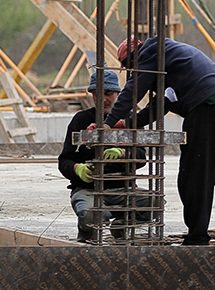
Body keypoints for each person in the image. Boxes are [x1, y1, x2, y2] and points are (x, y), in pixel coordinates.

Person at [108, 36, 215, 246]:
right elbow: (162, 104)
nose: (132, 72)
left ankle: (197, 237)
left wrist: (108, 123)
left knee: (195, 172)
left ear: (132, 59)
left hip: (204, 104)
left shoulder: (150, 53)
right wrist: (127, 123)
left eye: (130, 68)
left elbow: (133, 90)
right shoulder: (169, 57)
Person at [59, 68, 154, 242]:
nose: (102, 99)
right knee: (91, 216)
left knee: (155, 204)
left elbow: (141, 155)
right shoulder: (80, 120)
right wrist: (76, 169)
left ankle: (120, 224)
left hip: (123, 189)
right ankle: (87, 232)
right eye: (96, 94)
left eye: (108, 93)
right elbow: (64, 159)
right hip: (89, 190)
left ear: (119, 93)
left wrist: (124, 153)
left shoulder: (130, 120)